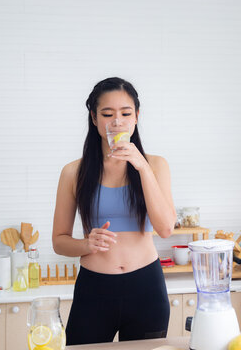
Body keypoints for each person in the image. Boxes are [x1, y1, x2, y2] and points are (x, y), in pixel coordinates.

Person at [52, 77, 177, 345]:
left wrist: (141, 167)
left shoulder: (155, 165)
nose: (117, 121)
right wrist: (86, 244)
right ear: (94, 118)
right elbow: (59, 242)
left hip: (147, 288)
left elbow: (166, 228)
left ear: (136, 117)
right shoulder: (73, 172)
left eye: (125, 113)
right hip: (94, 289)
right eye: (107, 114)